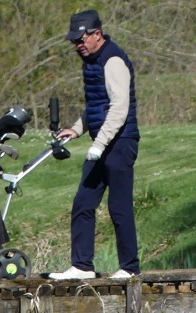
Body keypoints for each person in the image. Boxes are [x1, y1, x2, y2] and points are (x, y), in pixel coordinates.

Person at [45, 9, 141, 281]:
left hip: (121, 142)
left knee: (119, 206)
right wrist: (75, 130)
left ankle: (130, 268)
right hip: (103, 142)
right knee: (83, 203)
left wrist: (99, 144)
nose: (78, 45)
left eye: (82, 39)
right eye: (75, 41)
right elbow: (97, 107)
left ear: (97, 34)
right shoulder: (91, 61)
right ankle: (82, 266)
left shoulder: (112, 60)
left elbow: (119, 108)